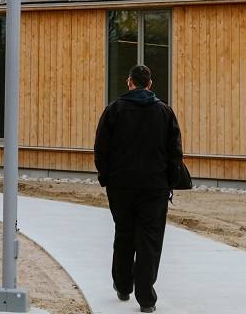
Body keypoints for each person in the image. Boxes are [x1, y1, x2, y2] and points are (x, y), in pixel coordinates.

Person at [94, 65, 183, 314]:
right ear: (150, 84)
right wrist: (170, 183)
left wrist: (106, 178)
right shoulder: (165, 112)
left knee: (124, 233)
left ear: (129, 82)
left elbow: (101, 149)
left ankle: (123, 286)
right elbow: (175, 152)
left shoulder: (114, 110)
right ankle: (146, 299)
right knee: (150, 239)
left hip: (121, 186)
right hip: (154, 187)